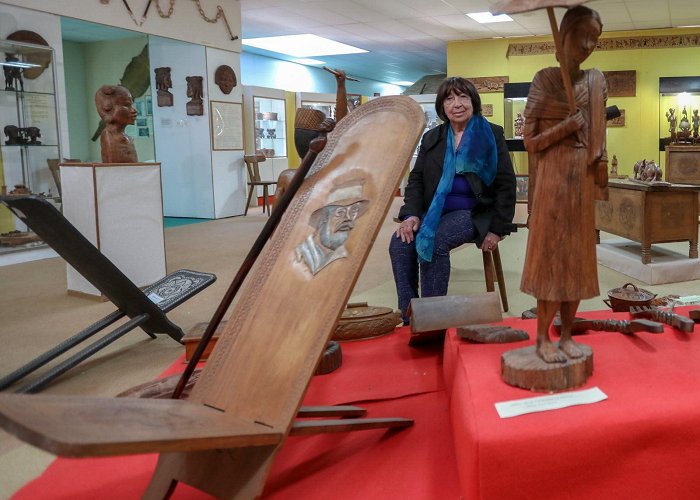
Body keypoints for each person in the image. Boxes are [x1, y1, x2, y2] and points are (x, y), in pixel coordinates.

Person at [389, 76, 516, 325]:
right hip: (433, 213)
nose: (456, 104)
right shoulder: (432, 138)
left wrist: (497, 230)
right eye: (449, 98)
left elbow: (506, 184)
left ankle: (432, 321)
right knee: (400, 245)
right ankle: (410, 317)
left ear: (473, 101)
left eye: (463, 97)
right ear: (442, 107)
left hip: (474, 212)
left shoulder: (491, 134)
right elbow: (416, 181)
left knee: (435, 242)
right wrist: (411, 215)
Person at [520, 5, 606, 363]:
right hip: (554, 180)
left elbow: (598, 134)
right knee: (551, 258)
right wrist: (564, 128)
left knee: (577, 260)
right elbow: (530, 141)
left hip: (582, 182)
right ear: (563, 35)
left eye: (595, 39)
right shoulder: (545, 79)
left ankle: (567, 335)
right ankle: (542, 338)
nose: (588, 44)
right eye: (582, 35)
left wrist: (600, 165)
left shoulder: (595, 81)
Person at [94, 84, 138, 163]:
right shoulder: (109, 136)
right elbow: (114, 170)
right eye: (127, 105)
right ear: (109, 108)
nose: (134, 110)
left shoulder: (125, 137)